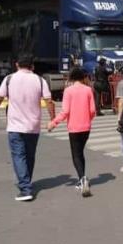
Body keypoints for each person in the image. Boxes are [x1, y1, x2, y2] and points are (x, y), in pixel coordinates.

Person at [0, 54, 55, 202]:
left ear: (17, 65)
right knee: (29, 156)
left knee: (19, 156)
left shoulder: (9, 79)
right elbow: (49, 101)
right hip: (33, 126)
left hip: (15, 126)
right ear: (33, 66)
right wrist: (53, 118)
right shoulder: (40, 80)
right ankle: (26, 182)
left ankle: (25, 189)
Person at [50, 67, 96, 197]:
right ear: (82, 77)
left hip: (74, 128)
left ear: (71, 78)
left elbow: (65, 111)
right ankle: (82, 179)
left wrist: (53, 123)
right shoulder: (88, 90)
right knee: (80, 153)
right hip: (86, 127)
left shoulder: (68, 91)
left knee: (76, 155)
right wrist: (88, 119)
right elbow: (93, 111)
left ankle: (82, 179)